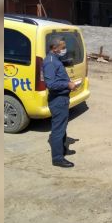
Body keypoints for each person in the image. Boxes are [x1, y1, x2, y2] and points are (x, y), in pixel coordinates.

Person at [44, 36, 77, 168]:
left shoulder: (56, 59)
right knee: (58, 129)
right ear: (54, 48)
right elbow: (50, 84)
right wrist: (67, 85)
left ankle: (62, 149)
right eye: (63, 47)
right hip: (58, 100)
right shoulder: (50, 62)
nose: (65, 49)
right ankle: (57, 158)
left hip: (62, 98)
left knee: (62, 126)